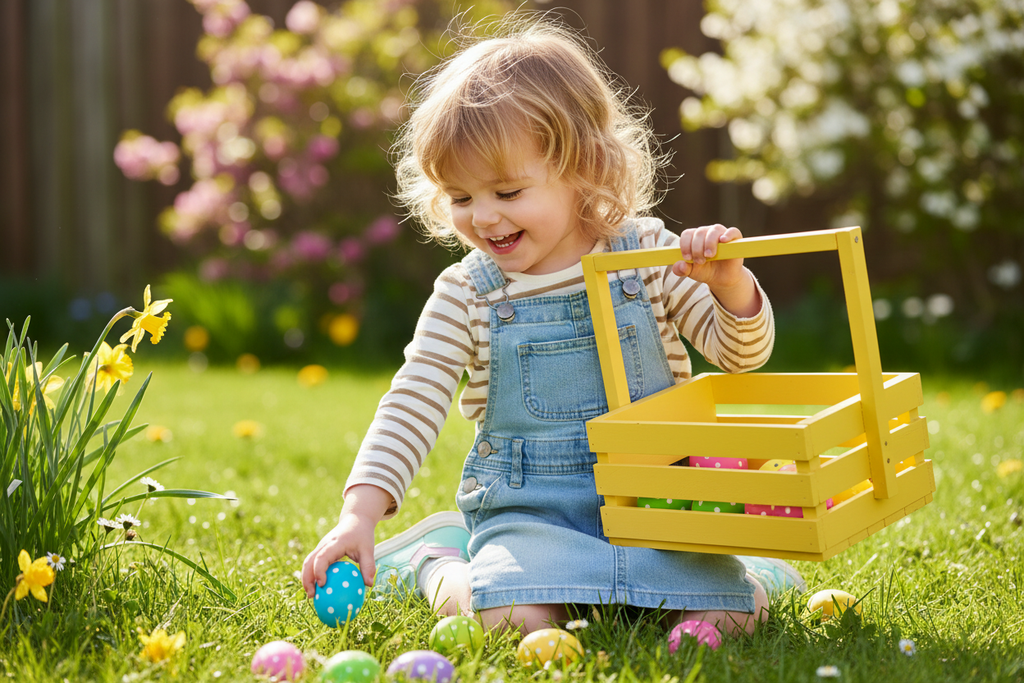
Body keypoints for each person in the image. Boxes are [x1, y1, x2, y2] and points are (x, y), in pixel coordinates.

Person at [302, 16, 800, 636]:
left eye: (508, 192)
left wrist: (729, 287)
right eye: (460, 197)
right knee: (512, 618)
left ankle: (750, 575)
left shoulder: (644, 254)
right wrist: (360, 514)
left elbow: (740, 356)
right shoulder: (469, 294)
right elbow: (414, 399)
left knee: (734, 616)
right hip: (532, 514)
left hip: (658, 505)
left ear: (583, 166)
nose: (483, 217)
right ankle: (437, 563)